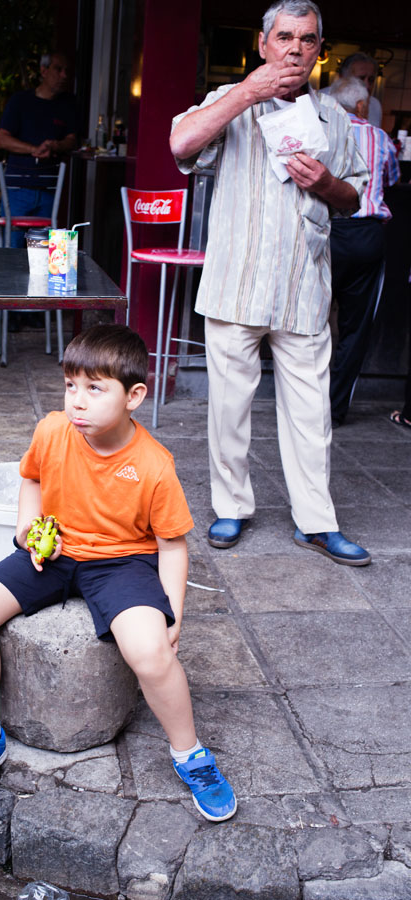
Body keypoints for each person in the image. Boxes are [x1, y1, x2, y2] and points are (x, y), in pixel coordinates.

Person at [0, 324, 237, 823]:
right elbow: (31, 478)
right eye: (70, 386)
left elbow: (171, 545)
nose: (77, 402)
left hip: (124, 563)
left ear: (134, 397)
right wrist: (26, 526)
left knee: (150, 652)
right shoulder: (52, 431)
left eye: (95, 388)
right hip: (56, 549)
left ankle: (191, 755)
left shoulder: (153, 465)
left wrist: (174, 614)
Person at [170, 0, 372, 567]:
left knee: (311, 415)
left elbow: (354, 197)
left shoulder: (334, 117)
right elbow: (180, 145)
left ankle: (317, 522)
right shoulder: (228, 103)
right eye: (284, 37)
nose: (295, 49)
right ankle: (231, 507)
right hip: (236, 282)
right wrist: (247, 92)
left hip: (304, 284)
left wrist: (327, 183)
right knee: (228, 408)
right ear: (263, 44)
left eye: (307, 40)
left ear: (317, 48)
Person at [328, 77, 400, 426]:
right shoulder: (380, 137)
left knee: (310, 327)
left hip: (325, 234)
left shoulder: (320, 133)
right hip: (366, 237)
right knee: (354, 329)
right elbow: (391, 179)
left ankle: (305, 408)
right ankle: (336, 409)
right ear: (360, 106)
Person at [0, 52, 77, 249]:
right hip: (17, 189)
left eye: (67, 71)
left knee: (48, 253)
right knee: (11, 250)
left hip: (51, 190)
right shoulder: (20, 101)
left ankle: (46, 281)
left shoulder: (68, 104)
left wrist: (55, 146)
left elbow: (72, 140)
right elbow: (2, 139)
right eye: (58, 69)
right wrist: (34, 149)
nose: (64, 75)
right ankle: (7, 281)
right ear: (44, 70)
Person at [339, 53, 382, 128]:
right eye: (361, 79)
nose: (367, 85)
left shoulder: (375, 105)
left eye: (371, 80)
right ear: (343, 78)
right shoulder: (324, 99)